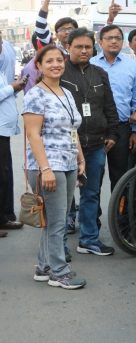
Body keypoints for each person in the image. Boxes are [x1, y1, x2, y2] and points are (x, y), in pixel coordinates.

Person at [23, 45, 87, 289]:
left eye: (59, 60)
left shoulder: (66, 92)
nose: (55, 64)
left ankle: (44, 267)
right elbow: (33, 134)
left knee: (53, 220)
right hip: (48, 165)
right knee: (58, 222)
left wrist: (80, 158)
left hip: (68, 162)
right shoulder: (35, 94)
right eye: (49, 61)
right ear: (39, 66)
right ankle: (59, 272)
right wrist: (45, 169)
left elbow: (72, 130)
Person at [61, 28, 120, 256]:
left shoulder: (99, 73)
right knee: (62, 198)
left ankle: (89, 240)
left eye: (88, 47)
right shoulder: (59, 71)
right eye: (79, 46)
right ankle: (58, 247)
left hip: (96, 145)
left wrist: (113, 134)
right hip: (67, 145)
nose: (84, 50)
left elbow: (109, 106)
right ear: (68, 47)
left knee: (91, 194)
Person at [90, 25, 136, 191]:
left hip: (123, 128)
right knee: (93, 178)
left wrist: (135, 131)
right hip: (95, 129)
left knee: (121, 178)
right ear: (100, 42)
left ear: (123, 42)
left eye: (118, 38)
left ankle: (119, 208)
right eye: (109, 38)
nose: (114, 41)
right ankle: (92, 210)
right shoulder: (90, 65)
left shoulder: (133, 66)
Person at [0, 36, 24, 236]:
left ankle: (5, 217)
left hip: (3, 129)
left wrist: (15, 88)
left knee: (5, 174)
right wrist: (12, 88)